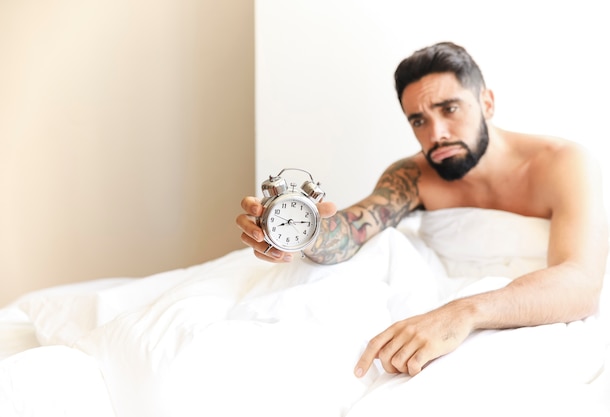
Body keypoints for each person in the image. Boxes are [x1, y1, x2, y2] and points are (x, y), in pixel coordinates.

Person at [236, 42, 608, 378]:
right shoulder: (413, 175)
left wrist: (463, 312)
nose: (436, 134)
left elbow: (581, 282)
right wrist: (300, 232)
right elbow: (351, 230)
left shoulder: (566, 164)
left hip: (528, 311)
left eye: (449, 109)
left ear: (487, 103)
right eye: (419, 120)